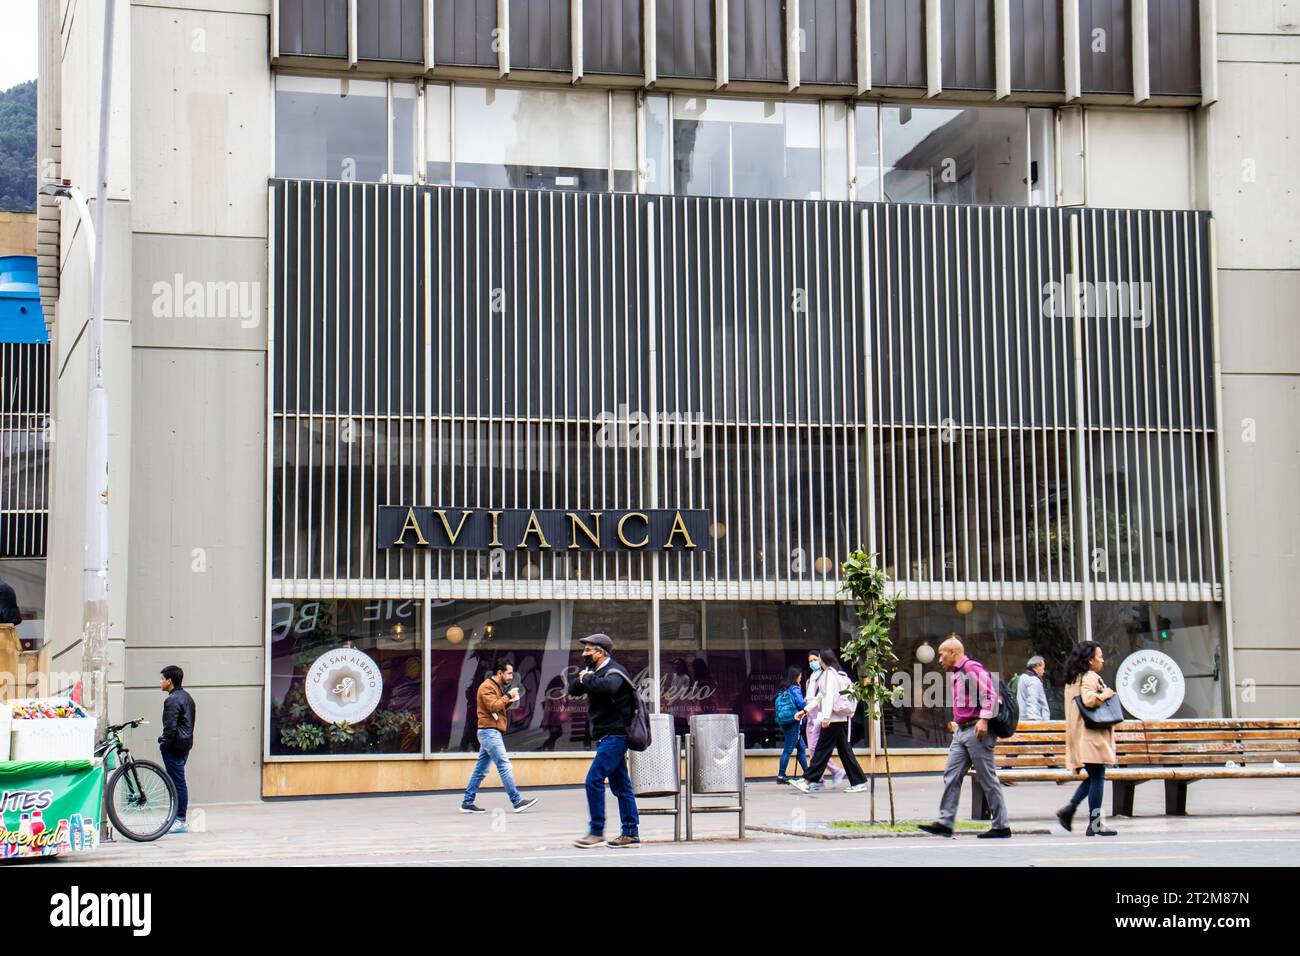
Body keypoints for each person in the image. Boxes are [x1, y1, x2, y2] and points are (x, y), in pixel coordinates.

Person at [919, 637, 1012, 839]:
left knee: (987, 779)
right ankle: (945, 822)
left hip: (977, 731)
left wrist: (984, 720)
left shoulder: (971, 668)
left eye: (942, 654)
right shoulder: (956, 673)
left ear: (953, 652)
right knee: (951, 775)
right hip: (961, 731)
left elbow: (990, 695)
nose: (940, 659)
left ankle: (1001, 826)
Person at [568, 633, 641, 849]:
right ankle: (631, 833)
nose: (584, 654)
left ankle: (596, 831)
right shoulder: (596, 672)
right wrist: (584, 678)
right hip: (604, 736)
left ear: (600, 652)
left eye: (588, 650)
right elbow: (573, 689)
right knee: (621, 786)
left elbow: (608, 687)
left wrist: (587, 678)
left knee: (593, 779)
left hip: (615, 735)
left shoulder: (615, 672)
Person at [461, 659, 539, 814]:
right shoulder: (487, 687)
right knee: (504, 765)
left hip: (490, 731)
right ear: (500, 673)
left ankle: (467, 802)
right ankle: (517, 801)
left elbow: (498, 708)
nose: (511, 676)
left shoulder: (495, 686)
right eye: (509, 673)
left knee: (480, 771)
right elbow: (493, 706)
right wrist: (508, 696)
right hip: (489, 732)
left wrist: (509, 699)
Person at [1058, 641, 1119, 836]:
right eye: (1099, 656)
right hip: (1091, 736)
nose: (1102, 659)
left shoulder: (1073, 679)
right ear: (1090, 660)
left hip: (1080, 734)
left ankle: (1070, 810)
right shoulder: (1089, 677)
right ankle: (1094, 823)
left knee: (1094, 777)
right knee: (1098, 778)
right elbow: (1089, 700)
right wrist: (1107, 693)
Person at [789, 650, 870, 794]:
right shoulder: (828, 674)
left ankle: (807, 780)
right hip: (835, 719)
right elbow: (821, 696)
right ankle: (859, 781)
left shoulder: (830, 674)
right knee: (845, 752)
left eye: (818, 658)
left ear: (824, 659)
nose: (816, 661)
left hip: (833, 719)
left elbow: (830, 696)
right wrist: (806, 711)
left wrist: (826, 717)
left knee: (821, 751)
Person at [158, 666, 196, 835]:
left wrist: (164, 745)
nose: (160, 682)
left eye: (162, 679)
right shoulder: (187, 697)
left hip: (174, 747)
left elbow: (170, 728)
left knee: (177, 783)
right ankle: (175, 819)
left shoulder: (172, 700)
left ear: (169, 681)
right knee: (176, 782)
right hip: (184, 746)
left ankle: (179, 820)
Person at [801, 650, 846, 789]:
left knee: (816, 748)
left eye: (815, 659)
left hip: (820, 715)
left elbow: (824, 697)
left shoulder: (825, 676)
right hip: (810, 716)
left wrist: (824, 716)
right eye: (810, 661)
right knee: (813, 749)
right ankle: (818, 778)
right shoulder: (810, 679)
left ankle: (833, 772)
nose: (813, 663)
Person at [774, 666, 809, 784]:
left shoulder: (783, 689)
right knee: (788, 750)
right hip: (794, 722)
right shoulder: (794, 689)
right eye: (800, 677)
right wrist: (808, 704)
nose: (800, 679)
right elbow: (801, 704)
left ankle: (808, 774)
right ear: (796, 677)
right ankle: (781, 775)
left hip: (785, 722)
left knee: (801, 748)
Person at [1016, 655, 1052, 722]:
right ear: (1038, 665)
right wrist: (1033, 721)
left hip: (1022, 719)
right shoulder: (1034, 680)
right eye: (1043, 668)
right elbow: (1032, 700)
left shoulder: (1022, 677)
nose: (1043, 671)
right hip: (1034, 722)